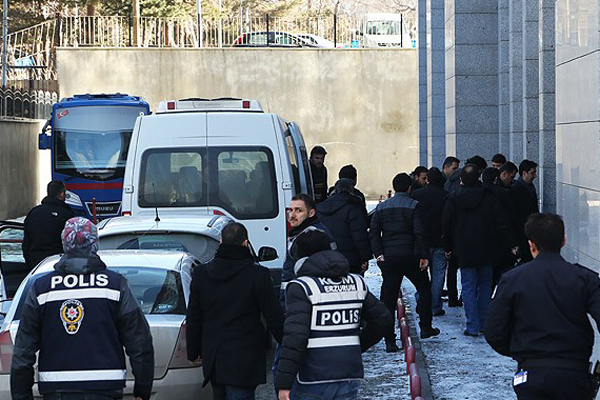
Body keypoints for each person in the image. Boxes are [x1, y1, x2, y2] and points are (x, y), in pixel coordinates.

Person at [11, 217, 154, 400]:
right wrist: (142, 389)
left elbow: (23, 350)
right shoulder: (115, 285)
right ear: (94, 244)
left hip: (57, 390)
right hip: (105, 388)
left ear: (64, 243)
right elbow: (140, 342)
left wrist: (21, 394)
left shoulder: (41, 288)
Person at [484, 213, 600, 400]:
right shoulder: (585, 279)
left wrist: (521, 350)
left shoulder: (512, 279)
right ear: (563, 240)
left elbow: (494, 331)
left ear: (531, 244)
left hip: (532, 373)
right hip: (574, 374)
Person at [275, 231, 393, 400]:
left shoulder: (302, 287)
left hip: (312, 377)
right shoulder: (356, 282)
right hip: (348, 373)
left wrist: (284, 383)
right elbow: (383, 320)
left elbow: (295, 337)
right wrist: (356, 345)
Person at [186, 222, 284, 400]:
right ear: (245, 243)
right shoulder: (258, 275)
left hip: (215, 357)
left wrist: (193, 351)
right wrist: (287, 344)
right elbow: (273, 315)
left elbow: (194, 316)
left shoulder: (201, 274)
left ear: (221, 241)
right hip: (245, 357)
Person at [370, 173, 440, 348]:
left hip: (390, 258)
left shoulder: (381, 208)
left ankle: (389, 339)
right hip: (411, 257)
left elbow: (374, 232)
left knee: (388, 298)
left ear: (394, 188)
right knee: (424, 289)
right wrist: (424, 255)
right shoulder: (414, 206)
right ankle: (425, 326)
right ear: (409, 188)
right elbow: (419, 233)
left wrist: (379, 254)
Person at [443, 164, 512, 337]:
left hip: (464, 248)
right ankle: (484, 323)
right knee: (485, 286)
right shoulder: (488, 196)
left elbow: (446, 225)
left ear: (461, 180)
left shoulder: (453, 198)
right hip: (487, 247)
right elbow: (501, 221)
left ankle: (472, 325)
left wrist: (448, 247)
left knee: (468, 287)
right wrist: (511, 242)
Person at [412, 168, 448, 316]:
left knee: (421, 275)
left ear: (428, 180)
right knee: (438, 275)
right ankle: (434, 306)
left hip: (422, 241)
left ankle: (422, 301)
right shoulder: (446, 196)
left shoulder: (417, 195)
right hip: (440, 239)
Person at [317, 179, 372, 275]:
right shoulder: (354, 208)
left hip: (326, 258)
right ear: (351, 191)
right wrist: (365, 257)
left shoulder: (321, 208)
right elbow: (359, 236)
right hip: (350, 260)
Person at [282, 194, 335, 287]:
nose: (292, 215)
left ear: (311, 213)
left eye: (299, 210)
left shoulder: (313, 236)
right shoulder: (299, 233)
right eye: (290, 210)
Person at [22, 180, 74, 268]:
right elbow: (71, 242)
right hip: (59, 262)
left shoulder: (33, 213)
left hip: (36, 262)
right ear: (62, 194)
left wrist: (30, 262)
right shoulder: (67, 215)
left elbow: (26, 242)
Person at [483, 167, 517, 286]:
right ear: (496, 179)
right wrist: (513, 242)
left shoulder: (477, 193)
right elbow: (509, 220)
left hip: (481, 239)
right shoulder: (504, 194)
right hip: (501, 241)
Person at [511, 159, 539, 263]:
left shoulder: (529, 187)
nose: (535, 176)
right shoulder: (516, 189)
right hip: (523, 234)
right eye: (532, 173)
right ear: (524, 173)